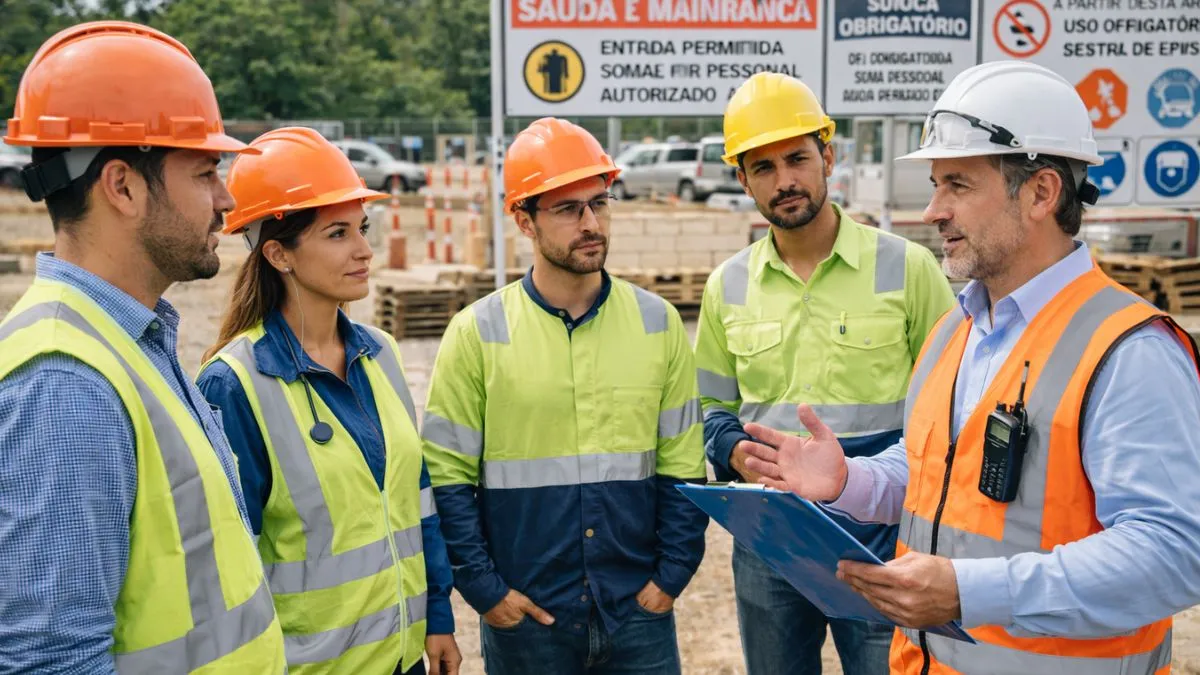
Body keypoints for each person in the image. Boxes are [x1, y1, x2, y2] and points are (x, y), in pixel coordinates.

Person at [742, 60, 1200, 674]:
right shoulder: (958, 328)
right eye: (935, 184)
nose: (932, 210)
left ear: (1041, 193)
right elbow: (938, 469)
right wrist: (848, 481)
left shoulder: (1129, 351)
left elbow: (1174, 554)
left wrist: (969, 591)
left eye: (957, 184)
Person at [0, 21, 286, 673]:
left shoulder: (128, 338)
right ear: (123, 186)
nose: (227, 199)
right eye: (207, 172)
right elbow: (50, 658)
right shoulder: (64, 382)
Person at [422, 117, 709, 674]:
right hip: (527, 622)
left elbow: (683, 464)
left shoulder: (658, 322)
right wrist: (485, 591)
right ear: (523, 220)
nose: (590, 223)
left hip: (638, 616)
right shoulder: (477, 332)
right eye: (567, 209)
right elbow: (446, 478)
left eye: (599, 203)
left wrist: (670, 577)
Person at [694, 71, 956, 675]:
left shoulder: (908, 269)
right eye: (762, 168)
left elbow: (953, 405)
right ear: (742, 180)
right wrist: (733, 450)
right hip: (769, 537)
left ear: (827, 155)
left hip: (880, 533)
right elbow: (709, 410)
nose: (784, 180)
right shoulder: (726, 286)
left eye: (796, 158)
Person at [195, 127, 461, 675]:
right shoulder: (233, 384)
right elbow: (225, 567)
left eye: (361, 228)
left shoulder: (380, 354)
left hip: (404, 657)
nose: (364, 249)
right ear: (278, 254)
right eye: (337, 233)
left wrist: (437, 615)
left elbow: (417, 498)